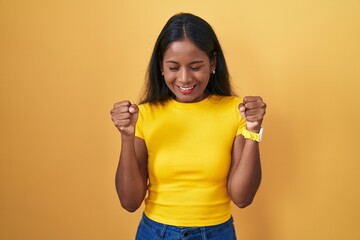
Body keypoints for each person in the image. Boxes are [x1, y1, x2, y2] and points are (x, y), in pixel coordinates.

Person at [110, 13, 267, 240]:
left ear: (212, 63)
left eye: (195, 66)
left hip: (217, 234)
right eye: (173, 67)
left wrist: (253, 131)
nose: (184, 78)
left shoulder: (235, 111)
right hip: (155, 233)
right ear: (161, 66)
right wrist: (126, 137)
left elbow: (242, 198)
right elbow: (129, 202)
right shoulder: (144, 115)